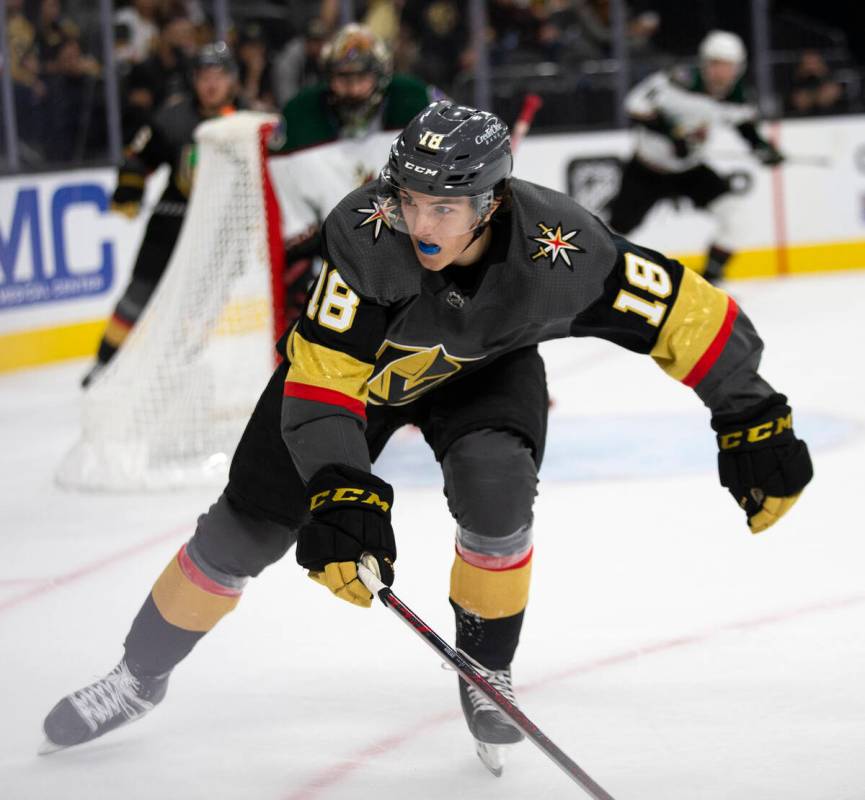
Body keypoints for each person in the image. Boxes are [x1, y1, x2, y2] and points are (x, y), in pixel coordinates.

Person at [42, 101, 812, 775]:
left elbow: (685, 310)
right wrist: (342, 490)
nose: (420, 223)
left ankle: (486, 668)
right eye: (409, 200)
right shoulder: (364, 231)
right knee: (241, 535)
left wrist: (751, 416)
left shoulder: (562, 247)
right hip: (353, 382)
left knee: (498, 491)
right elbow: (320, 386)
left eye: (444, 208)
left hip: (482, 372)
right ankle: (139, 676)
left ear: (493, 200)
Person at [80, 43, 239, 387]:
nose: (211, 85)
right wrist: (130, 191)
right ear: (194, 80)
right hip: (170, 226)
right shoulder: (174, 118)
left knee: (202, 307)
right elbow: (137, 157)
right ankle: (102, 365)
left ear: (232, 80)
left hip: (220, 232)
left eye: (218, 76)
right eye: (204, 77)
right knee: (137, 296)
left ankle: (177, 369)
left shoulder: (247, 121)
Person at [268, 22, 438, 326]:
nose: (353, 89)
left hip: (414, 257)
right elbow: (291, 212)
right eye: (343, 78)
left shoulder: (416, 101)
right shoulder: (299, 119)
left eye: (362, 77)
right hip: (337, 267)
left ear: (382, 75)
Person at [607, 30, 785, 284]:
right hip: (648, 170)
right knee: (615, 231)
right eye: (717, 65)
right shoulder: (677, 81)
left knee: (736, 218)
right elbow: (635, 106)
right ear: (705, 63)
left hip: (688, 170)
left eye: (729, 66)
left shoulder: (737, 95)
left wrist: (762, 147)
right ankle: (594, 282)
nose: (722, 73)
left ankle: (710, 279)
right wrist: (672, 134)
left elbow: (743, 124)